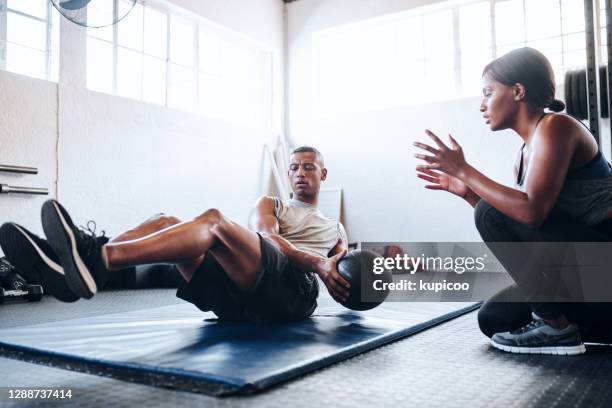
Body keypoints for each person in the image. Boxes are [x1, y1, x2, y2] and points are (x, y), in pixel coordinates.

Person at [414, 47, 612, 355]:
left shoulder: (556, 127)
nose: (482, 105)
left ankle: (558, 329)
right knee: (495, 318)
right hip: (585, 272)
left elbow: (531, 213)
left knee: (489, 213)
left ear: (518, 91)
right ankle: (577, 325)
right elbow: (517, 224)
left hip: (602, 265)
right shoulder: (524, 152)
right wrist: (468, 192)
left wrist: (465, 170)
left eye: (488, 93)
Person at [16, 146, 349, 323]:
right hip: (237, 298)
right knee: (164, 221)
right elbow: (268, 238)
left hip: (290, 296)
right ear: (288, 174)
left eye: (308, 166)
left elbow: (344, 271)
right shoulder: (270, 204)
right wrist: (318, 262)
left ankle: (95, 262)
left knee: (215, 221)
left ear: (323, 173)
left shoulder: (336, 228)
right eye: (294, 167)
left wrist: (336, 278)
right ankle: (81, 263)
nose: (300, 173)